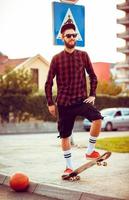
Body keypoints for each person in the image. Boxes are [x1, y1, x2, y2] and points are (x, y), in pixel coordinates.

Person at [45, 17, 103, 176]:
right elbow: (48, 82)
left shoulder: (83, 55)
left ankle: (90, 151)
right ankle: (69, 166)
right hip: (63, 103)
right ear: (62, 38)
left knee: (98, 118)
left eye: (74, 35)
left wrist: (92, 94)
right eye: (68, 35)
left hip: (80, 100)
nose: (72, 37)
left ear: (76, 37)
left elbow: (93, 76)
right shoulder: (56, 59)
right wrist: (50, 103)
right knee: (65, 135)